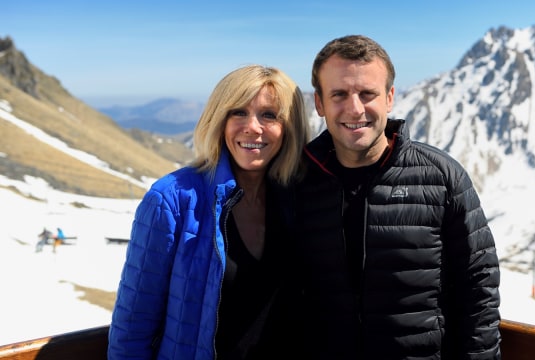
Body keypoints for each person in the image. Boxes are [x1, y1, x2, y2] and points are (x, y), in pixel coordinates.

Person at [291, 34, 502, 359]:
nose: (355, 108)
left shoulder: (441, 177)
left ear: (389, 98)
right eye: (339, 94)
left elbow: (478, 288)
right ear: (319, 103)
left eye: (367, 93)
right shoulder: (297, 181)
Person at [108, 64, 310, 359]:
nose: (253, 127)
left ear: (288, 129)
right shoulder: (172, 199)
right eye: (238, 112)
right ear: (219, 120)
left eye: (269, 115)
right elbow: (133, 328)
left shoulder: (297, 197)